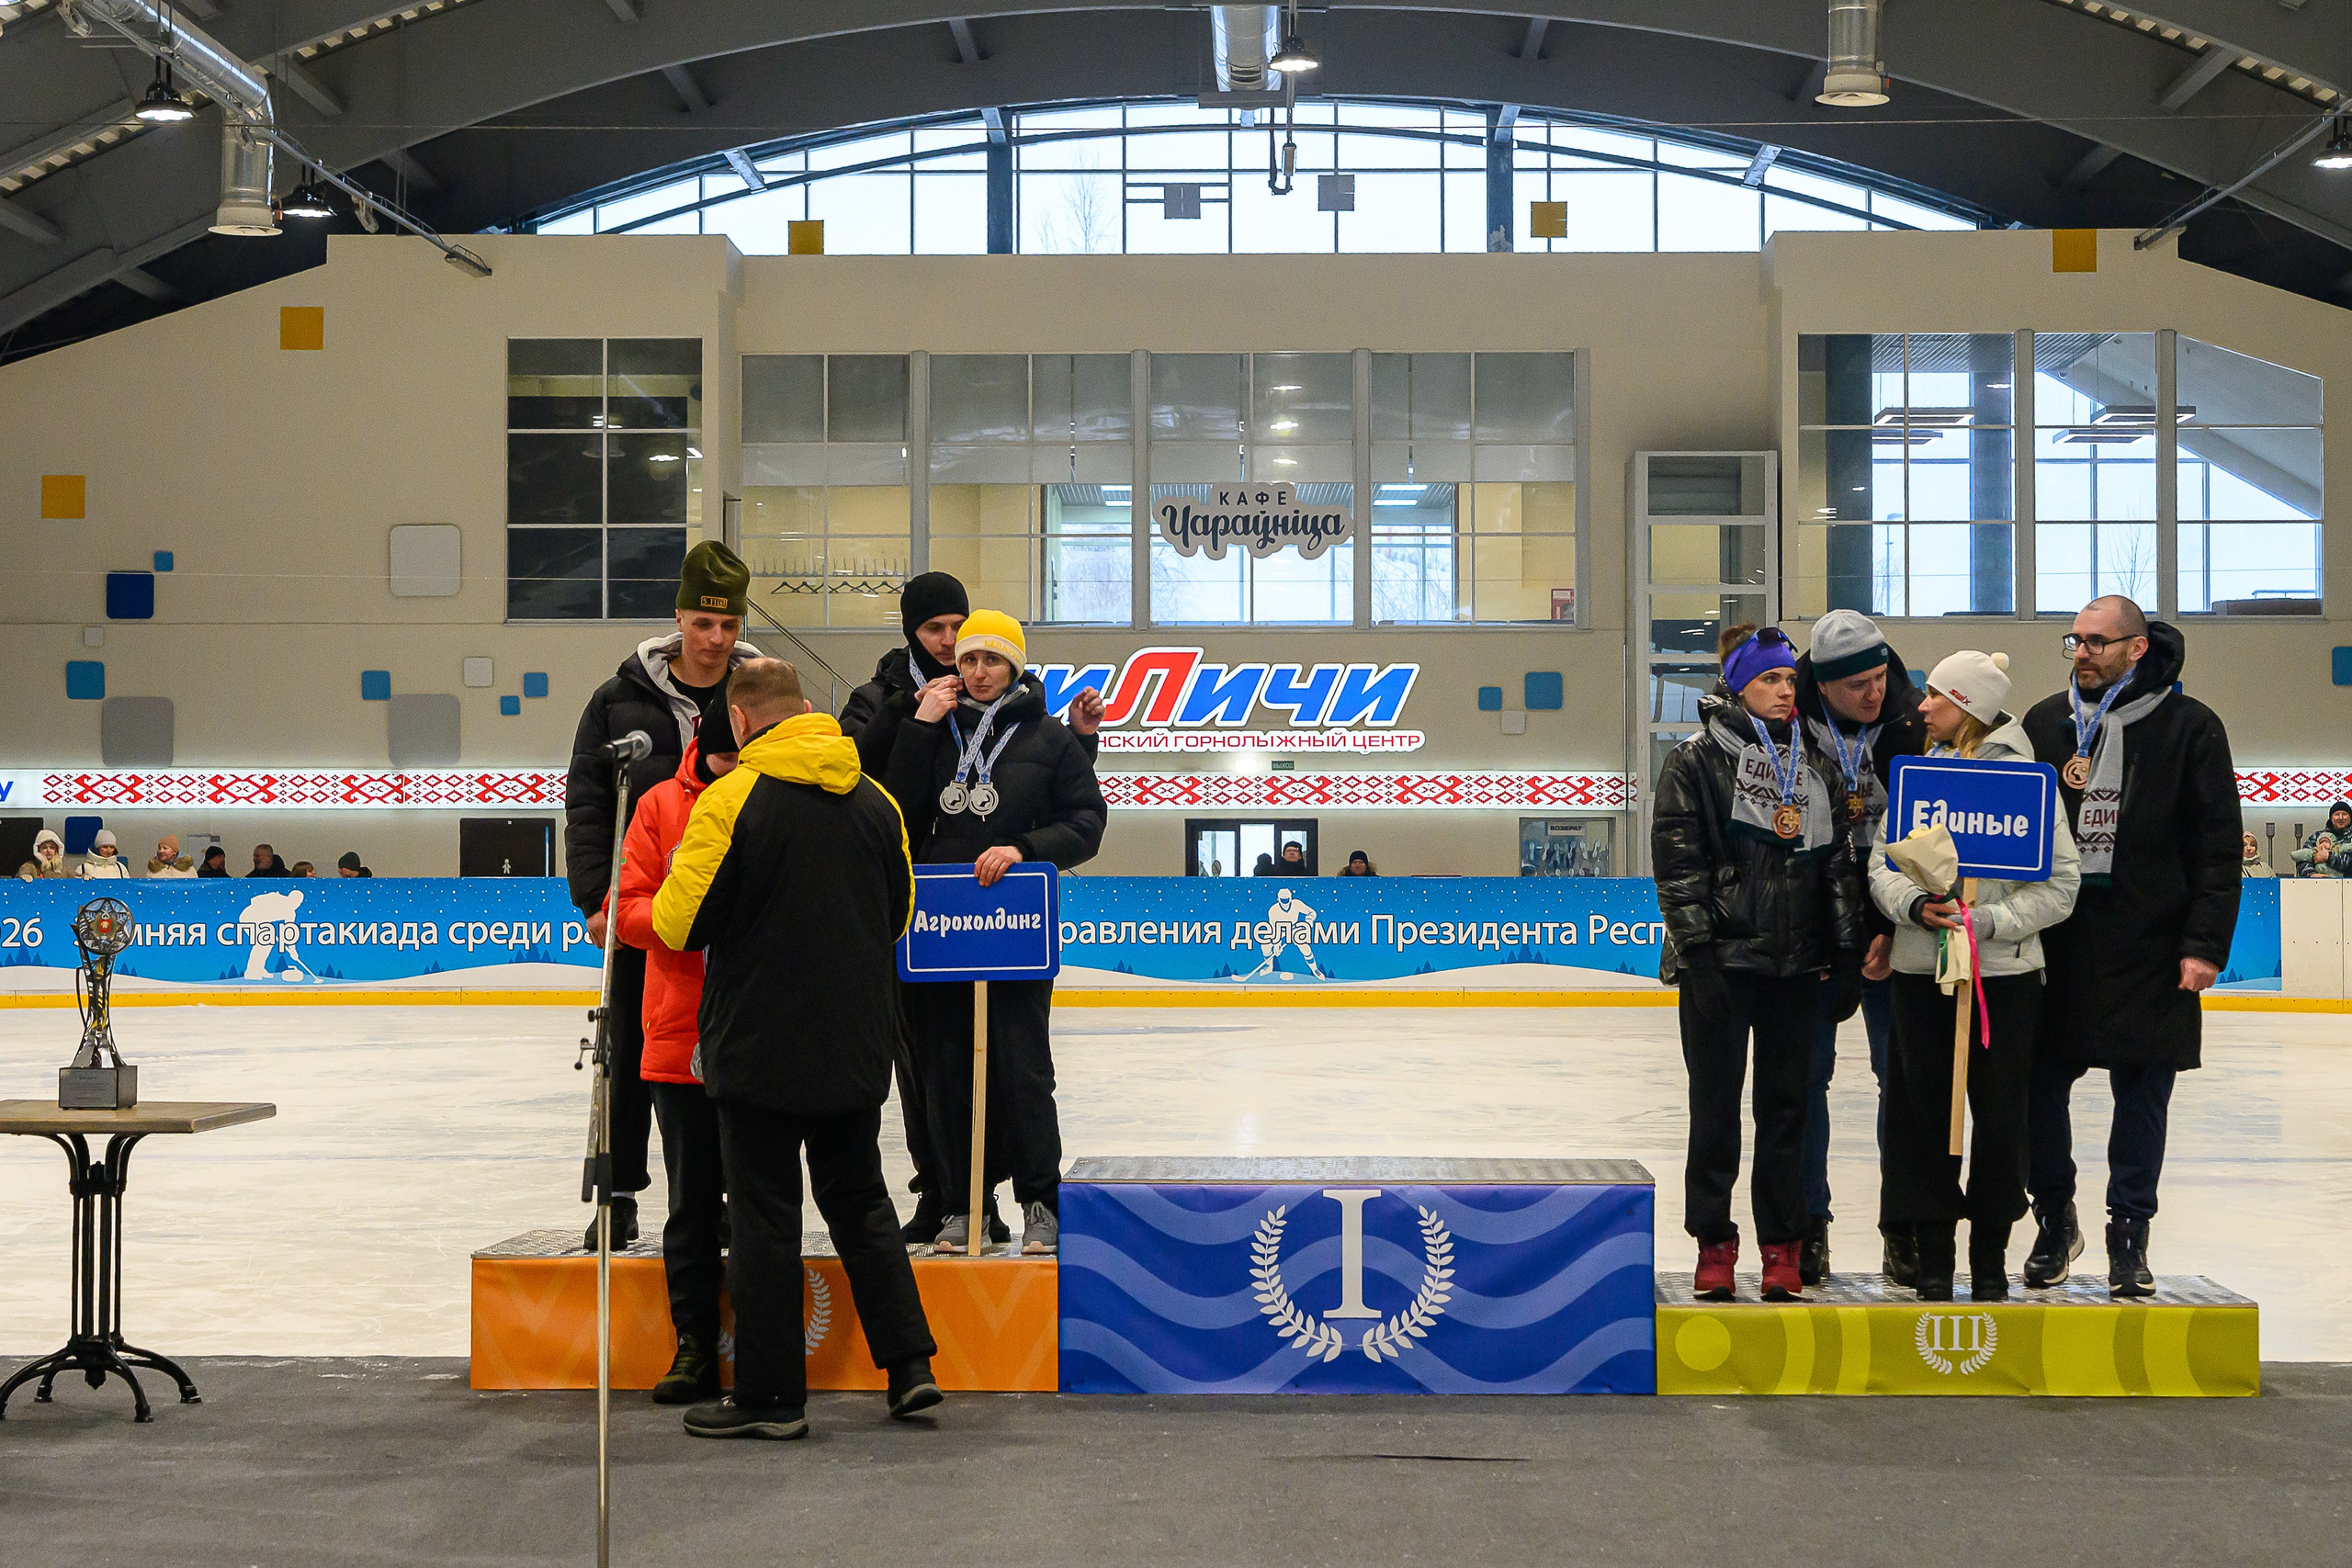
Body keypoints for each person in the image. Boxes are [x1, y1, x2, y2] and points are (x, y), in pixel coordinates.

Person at [650, 658, 940, 1439]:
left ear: (740, 722)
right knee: (863, 1204)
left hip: (757, 1047)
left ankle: (773, 1397)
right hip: (853, 1043)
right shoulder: (876, 801)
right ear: (808, 710)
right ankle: (911, 1367)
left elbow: (678, 924)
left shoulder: (730, 799)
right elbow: (899, 912)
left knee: (764, 1220)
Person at [837, 570, 1103, 1247]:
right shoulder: (928, 723)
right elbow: (891, 809)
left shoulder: (1047, 738)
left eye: (991, 657)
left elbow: (1086, 820)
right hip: (938, 927)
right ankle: (964, 1204)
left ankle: (1041, 1200)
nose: (978, 669)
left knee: (1021, 1069)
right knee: (945, 1071)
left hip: (1014, 928)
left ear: (1015, 664)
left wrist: (1024, 846)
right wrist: (922, 730)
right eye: (967, 658)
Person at [2022, 596, 2239, 1298]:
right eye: (2075, 641)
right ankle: (2054, 1217)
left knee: (2142, 1095)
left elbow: (2215, 849)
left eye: (2097, 641)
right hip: (2057, 942)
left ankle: (2128, 1232)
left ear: (2137, 648)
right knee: (2035, 1088)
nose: (2081, 653)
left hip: (2152, 946)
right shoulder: (2044, 723)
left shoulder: (2191, 727)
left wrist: (2203, 944)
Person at [1653, 624, 1864, 1303]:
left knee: (1787, 1111)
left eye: (1789, 680)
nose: (1784, 690)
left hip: (1796, 966)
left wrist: (1844, 951)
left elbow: (1837, 866)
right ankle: (1713, 1242)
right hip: (1722, 963)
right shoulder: (1693, 760)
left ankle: (1783, 1246)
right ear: (1738, 683)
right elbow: (1678, 868)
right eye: (1770, 678)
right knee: (1714, 1111)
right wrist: (1700, 957)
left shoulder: (1817, 764)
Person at [564, 540, 760, 1251]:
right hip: (645, 912)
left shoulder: (761, 692)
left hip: (741, 922)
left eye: (729, 626)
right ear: (679, 617)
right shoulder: (618, 700)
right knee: (629, 1052)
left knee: (735, 1054)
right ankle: (617, 1192)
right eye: (703, 624)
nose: (715, 640)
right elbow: (587, 806)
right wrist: (595, 898)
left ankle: (735, 1190)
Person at [1869, 651, 2078, 1302]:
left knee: (1999, 1117)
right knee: (1922, 1115)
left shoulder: (2030, 783)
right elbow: (1882, 864)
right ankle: (1933, 1252)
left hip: (2003, 980)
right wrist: (1912, 905)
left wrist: (1990, 922)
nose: (1920, 706)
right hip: (1919, 972)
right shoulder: (1918, 777)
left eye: (1934, 696)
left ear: (1969, 706)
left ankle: (1989, 1254)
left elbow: (2062, 883)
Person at [1792, 609, 1927, 1287]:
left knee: (1899, 1084)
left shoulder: (1914, 724)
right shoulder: (1785, 728)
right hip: (1815, 934)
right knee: (1804, 1082)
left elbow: (1932, 843)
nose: (1874, 693)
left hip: (1895, 927)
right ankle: (1808, 1227)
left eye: (1879, 677)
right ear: (1822, 683)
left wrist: (1887, 928)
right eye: (1857, 686)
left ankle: (1901, 1228)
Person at [614, 697, 738, 1407]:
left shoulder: (770, 796)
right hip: (679, 1031)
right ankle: (693, 1345)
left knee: (755, 1199)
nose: (730, 775)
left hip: (755, 1030)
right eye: (721, 762)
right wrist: (682, 917)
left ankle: (762, 1345)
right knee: (691, 1200)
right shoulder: (660, 804)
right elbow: (628, 912)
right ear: (702, 750)